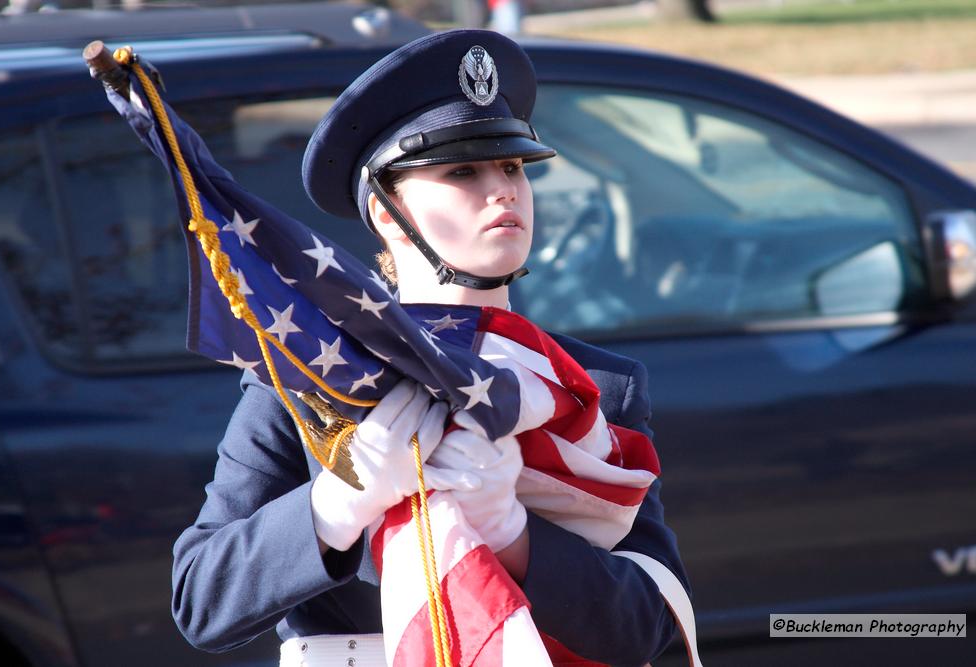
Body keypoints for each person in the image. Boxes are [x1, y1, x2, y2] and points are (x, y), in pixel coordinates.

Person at [171, 29, 692, 667]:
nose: (504, 190)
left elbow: (650, 627)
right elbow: (201, 599)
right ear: (387, 210)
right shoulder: (307, 375)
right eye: (463, 171)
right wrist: (337, 506)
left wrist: (514, 537)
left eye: (512, 167)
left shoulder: (596, 384)